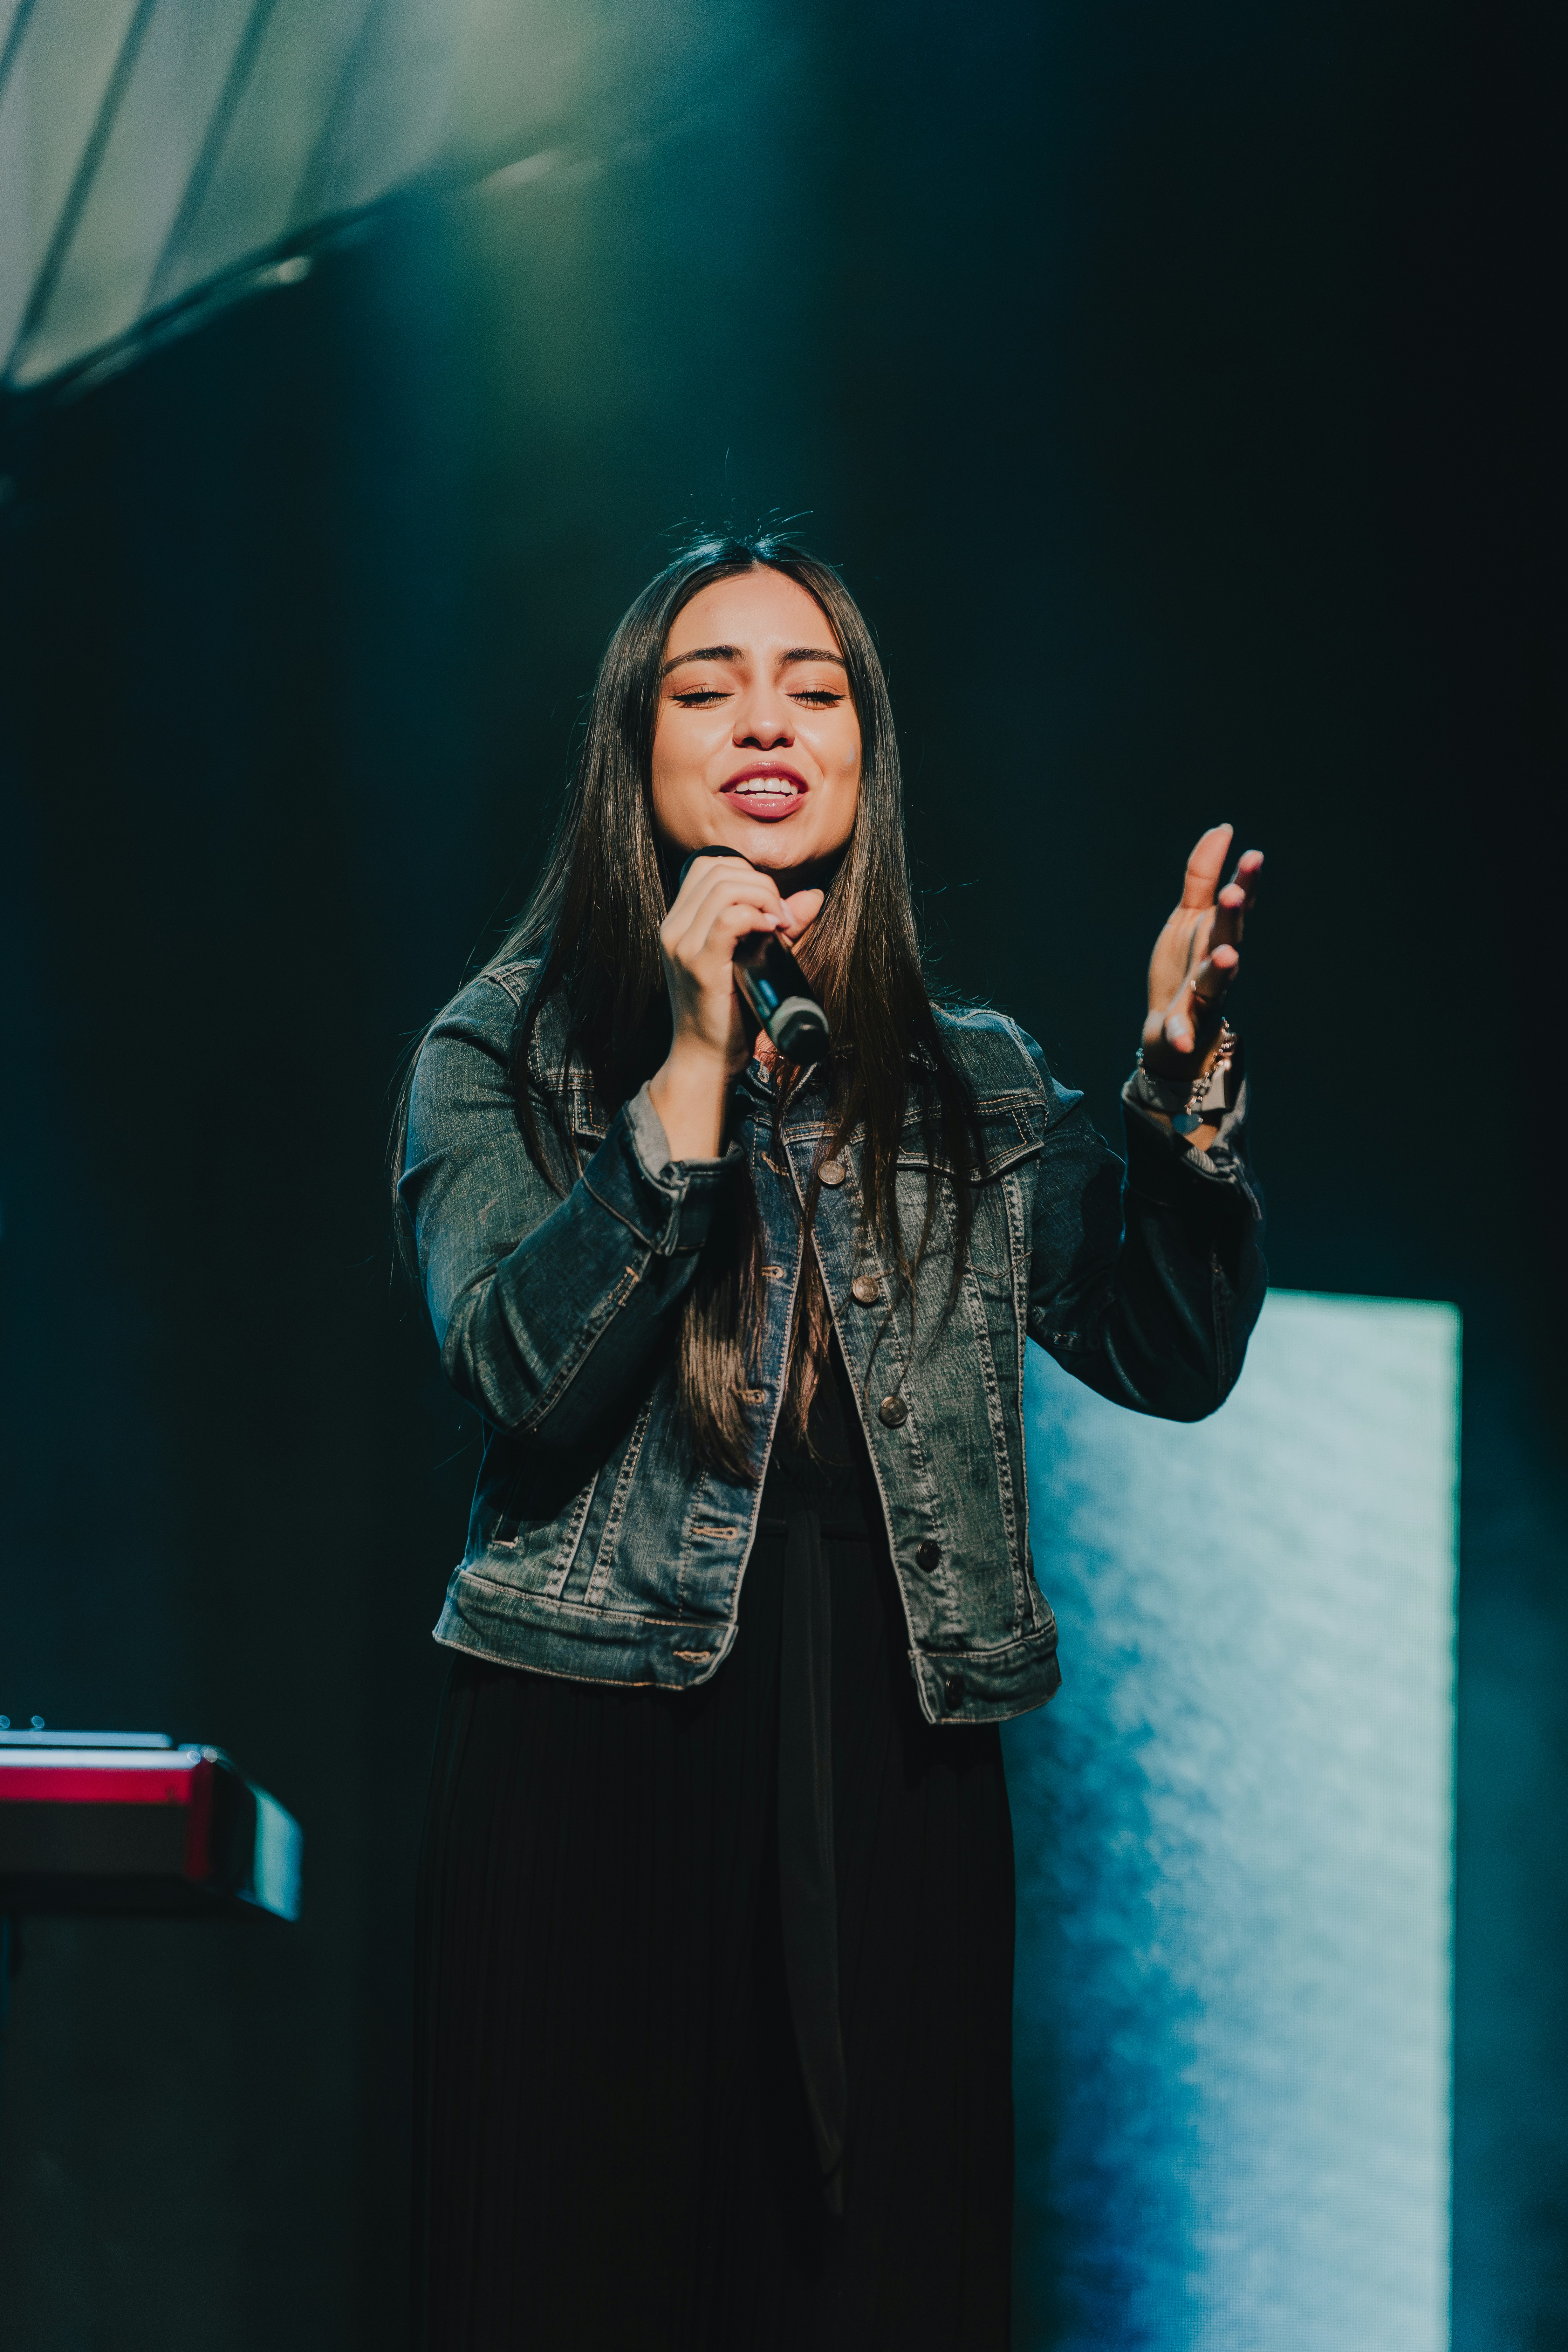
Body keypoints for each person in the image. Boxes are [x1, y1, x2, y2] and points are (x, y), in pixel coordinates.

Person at [396, 529, 1265, 2351]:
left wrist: (1177, 1111)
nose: (763, 721)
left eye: (815, 685)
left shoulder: (973, 1083)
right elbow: (516, 1371)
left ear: (869, 752)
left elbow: (1170, 1357)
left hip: (892, 1759)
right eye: (705, 690)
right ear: (635, 755)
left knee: (873, 2291)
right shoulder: (511, 1051)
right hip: (593, 1755)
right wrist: (694, 1074)